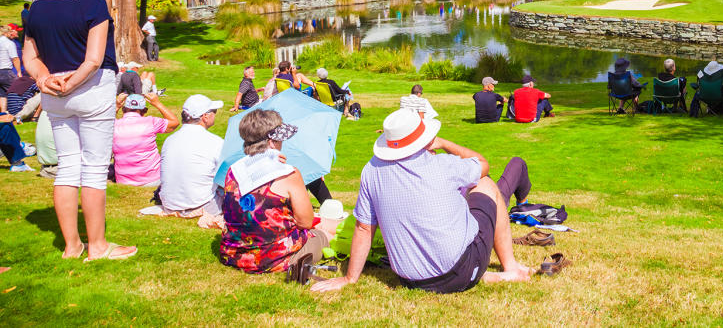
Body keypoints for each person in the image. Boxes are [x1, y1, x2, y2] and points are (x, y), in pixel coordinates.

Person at [310, 109, 533, 294]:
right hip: (460, 270)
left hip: (411, 280)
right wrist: (444, 143)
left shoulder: (371, 171)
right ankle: (510, 267)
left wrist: (350, 278)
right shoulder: (443, 165)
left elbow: (363, 226)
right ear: (425, 139)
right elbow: (482, 164)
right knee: (486, 184)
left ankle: (475, 274)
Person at [24, 0, 134, 261]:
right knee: (95, 168)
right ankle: (97, 246)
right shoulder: (93, 4)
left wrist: (46, 80)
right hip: (89, 90)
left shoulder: (37, 5)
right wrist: (71, 82)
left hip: (54, 95)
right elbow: (94, 59)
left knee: (68, 167)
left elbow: (31, 56)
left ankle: (72, 246)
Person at [219, 109, 335, 275]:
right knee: (322, 235)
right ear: (272, 141)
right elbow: (306, 222)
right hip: (273, 258)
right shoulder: (288, 173)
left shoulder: (234, 171)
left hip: (234, 253)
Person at [159, 94, 225, 217]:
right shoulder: (215, 142)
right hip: (201, 204)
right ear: (205, 116)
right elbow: (225, 177)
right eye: (214, 112)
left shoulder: (170, 139)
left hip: (170, 204)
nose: (215, 114)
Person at [112, 92, 179, 187]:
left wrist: (116, 106)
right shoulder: (150, 122)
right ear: (144, 111)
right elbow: (174, 122)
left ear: (123, 109)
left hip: (123, 181)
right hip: (152, 179)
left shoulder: (113, 125)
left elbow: (107, 121)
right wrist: (157, 103)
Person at [0, 22, 22, 94]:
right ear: (6, 33)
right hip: (5, 71)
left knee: (2, 95)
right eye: (9, 31)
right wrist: (19, 72)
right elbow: (15, 59)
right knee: (18, 90)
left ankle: (4, 106)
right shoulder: (9, 43)